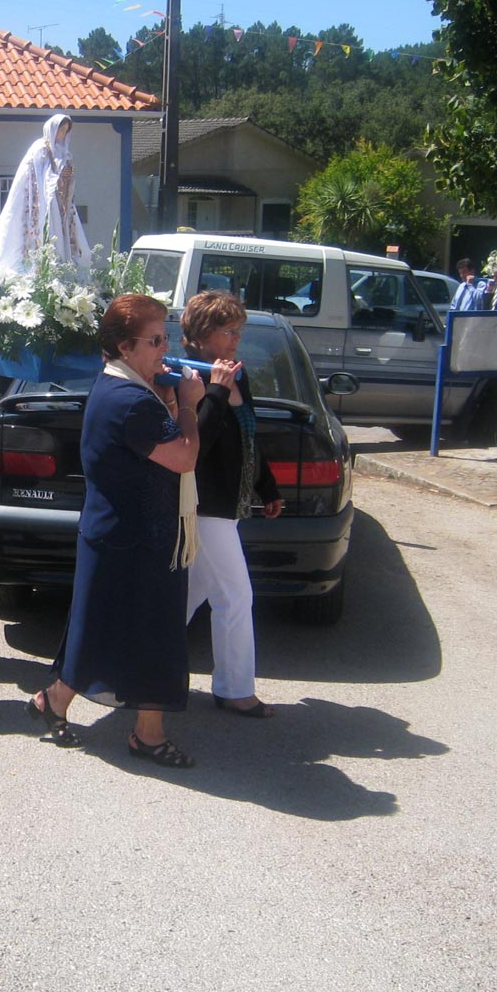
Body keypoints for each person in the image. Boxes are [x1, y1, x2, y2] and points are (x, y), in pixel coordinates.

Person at [27, 294, 205, 767]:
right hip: (134, 537)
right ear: (125, 347)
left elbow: (154, 442)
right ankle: (145, 734)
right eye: (156, 341)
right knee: (142, 633)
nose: (165, 349)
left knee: (105, 629)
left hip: (129, 533)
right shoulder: (130, 400)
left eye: (166, 338)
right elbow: (184, 455)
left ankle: (56, 702)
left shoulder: (122, 386)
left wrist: (170, 397)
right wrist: (190, 405)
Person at [180, 291, 283, 717]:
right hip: (204, 507)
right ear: (203, 335)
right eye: (228, 331)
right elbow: (195, 446)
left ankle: (130, 665)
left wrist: (267, 487)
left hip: (230, 505)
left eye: (239, 330)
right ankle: (235, 689)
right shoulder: (188, 376)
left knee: (190, 595)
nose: (237, 338)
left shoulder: (237, 376)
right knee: (236, 597)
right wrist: (217, 391)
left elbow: (249, 438)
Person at [0, 113, 90, 280]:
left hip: (59, 202)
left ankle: (60, 271)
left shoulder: (64, 153)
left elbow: (65, 179)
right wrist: (57, 176)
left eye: (65, 131)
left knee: (61, 240)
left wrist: (67, 176)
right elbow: (37, 177)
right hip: (41, 201)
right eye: (60, 130)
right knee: (39, 236)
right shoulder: (40, 148)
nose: (62, 134)